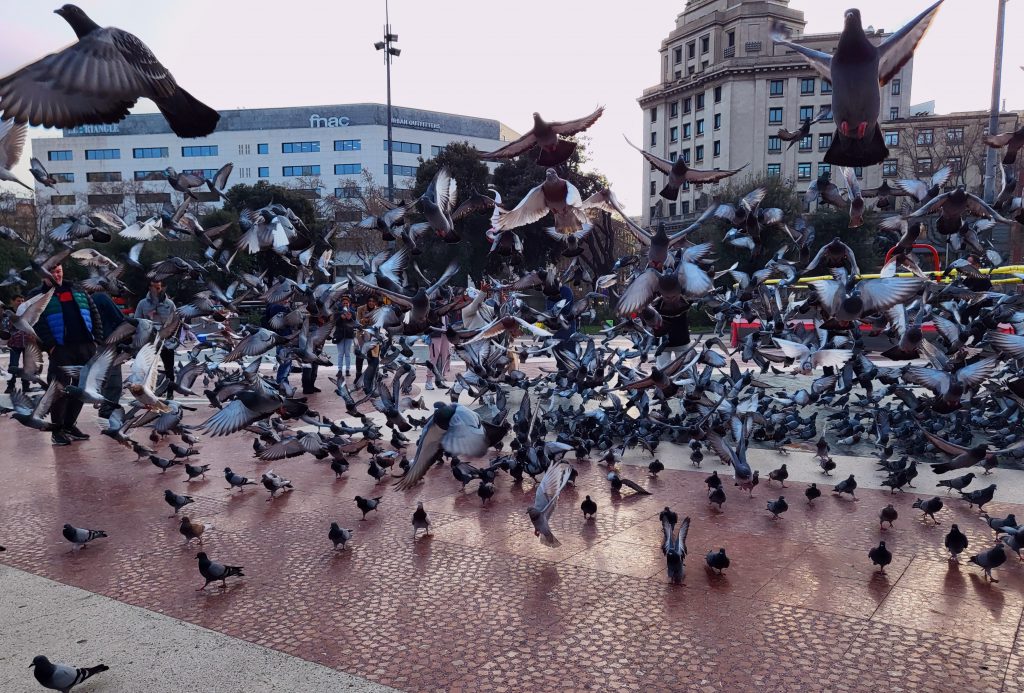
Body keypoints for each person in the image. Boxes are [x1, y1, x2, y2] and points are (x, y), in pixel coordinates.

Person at [32, 264, 103, 446]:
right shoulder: (38, 296)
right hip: (61, 349)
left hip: (85, 345)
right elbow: (36, 323)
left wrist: (97, 340)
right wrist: (50, 346)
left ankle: (70, 425)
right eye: (52, 272)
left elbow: (94, 313)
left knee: (81, 389)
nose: (56, 274)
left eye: (59, 271)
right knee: (58, 389)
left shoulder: (77, 289)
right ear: (43, 275)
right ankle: (57, 430)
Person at [134, 279, 177, 399]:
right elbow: (137, 321)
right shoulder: (142, 304)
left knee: (169, 368)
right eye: (155, 287)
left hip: (166, 341)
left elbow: (176, 321)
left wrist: (173, 337)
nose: (157, 290)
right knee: (148, 369)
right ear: (150, 288)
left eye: (159, 288)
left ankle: (170, 393)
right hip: (149, 342)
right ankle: (149, 392)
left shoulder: (169, 304)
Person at [88, 289, 126, 418]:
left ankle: (105, 407)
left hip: (93, 344)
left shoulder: (85, 299)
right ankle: (108, 411)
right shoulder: (102, 297)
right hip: (108, 342)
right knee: (114, 381)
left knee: (104, 377)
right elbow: (119, 318)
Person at [5, 295, 30, 394]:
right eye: (18, 301)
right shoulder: (8, 314)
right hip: (14, 344)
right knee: (13, 365)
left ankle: (26, 385)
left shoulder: (28, 313)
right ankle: (10, 386)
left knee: (27, 366)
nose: (20, 303)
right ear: (12, 302)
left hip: (27, 343)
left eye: (22, 301)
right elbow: (5, 328)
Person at [263, 299, 292, 385]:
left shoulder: (271, 307)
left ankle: (283, 381)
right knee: (285, 361)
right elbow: (286, 321)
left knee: (284, 361)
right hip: (283, 337)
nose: (287, 300)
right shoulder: (277, 307)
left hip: (279, 337)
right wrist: (287, 309)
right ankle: (282, 383)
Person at [354, 297, 378, 382]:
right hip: (361, 335)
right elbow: (357, 322)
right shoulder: (360, 309)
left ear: (375, 302)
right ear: (367, 302)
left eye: (373, 301)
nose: (371, 302)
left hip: (372, 336)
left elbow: (377, 323)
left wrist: (370, 320)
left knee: (371, 356)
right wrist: (363, 320)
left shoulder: (377, 310)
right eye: (369, 301)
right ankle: (358, 375)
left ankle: (370, 375)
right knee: (360, 355)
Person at [333, 298, 356, 378]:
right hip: (339, 335)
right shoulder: (337, 313)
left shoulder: (352, 313)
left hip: (349, 335)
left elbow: (354, 323)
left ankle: (347, 370)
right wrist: (340, 317)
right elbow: (334, 323)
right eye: (344, 303)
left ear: (349, 304)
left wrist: (350, 319)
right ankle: (339, 370)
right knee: (340, 354)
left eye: (347, 303)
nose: (345, 304)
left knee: (347, 354)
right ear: (341, 304)